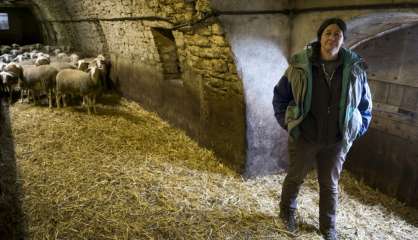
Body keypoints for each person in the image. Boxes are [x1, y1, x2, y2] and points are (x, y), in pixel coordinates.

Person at [272, 18, 372, 240]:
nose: (332, 38)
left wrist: (355, 129)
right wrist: (288, 124)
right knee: (295, 178)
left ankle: (328, 227)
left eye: (338, 34)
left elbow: (365, 106)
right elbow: (280, 96)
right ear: (320, 37)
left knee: (330, 185)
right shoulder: (300, 65)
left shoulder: (355, 69)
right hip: (305, 137)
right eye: (328, 33)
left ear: (343, 40)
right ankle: (286, 213)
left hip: (336, 141)